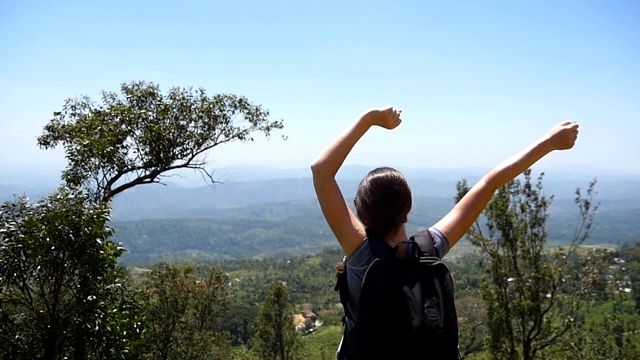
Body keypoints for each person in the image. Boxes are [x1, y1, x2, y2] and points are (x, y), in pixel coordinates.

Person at [310, 106, 579, 357]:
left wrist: (369, 119)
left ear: (360, 211)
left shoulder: (362, 256)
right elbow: (490, 182)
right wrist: (549, 143)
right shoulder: (430, 250)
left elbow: (321, 170)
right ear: (408, 206)